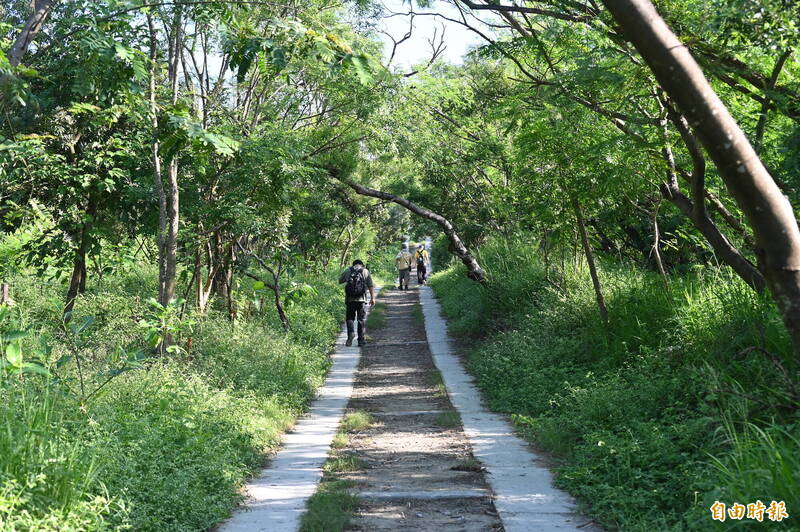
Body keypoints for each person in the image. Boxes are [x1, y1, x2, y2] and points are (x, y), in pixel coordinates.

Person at [338, 259, 375, 346]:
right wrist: (372, 298)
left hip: (350, 299)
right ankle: (361, 340)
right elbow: (370, 286)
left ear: (353, 264)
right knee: (360, 319)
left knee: (350, 318)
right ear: (362, 265)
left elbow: (340, 280)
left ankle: (351, 334)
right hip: (361, 300)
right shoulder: (365, 271)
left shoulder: (348, 270)